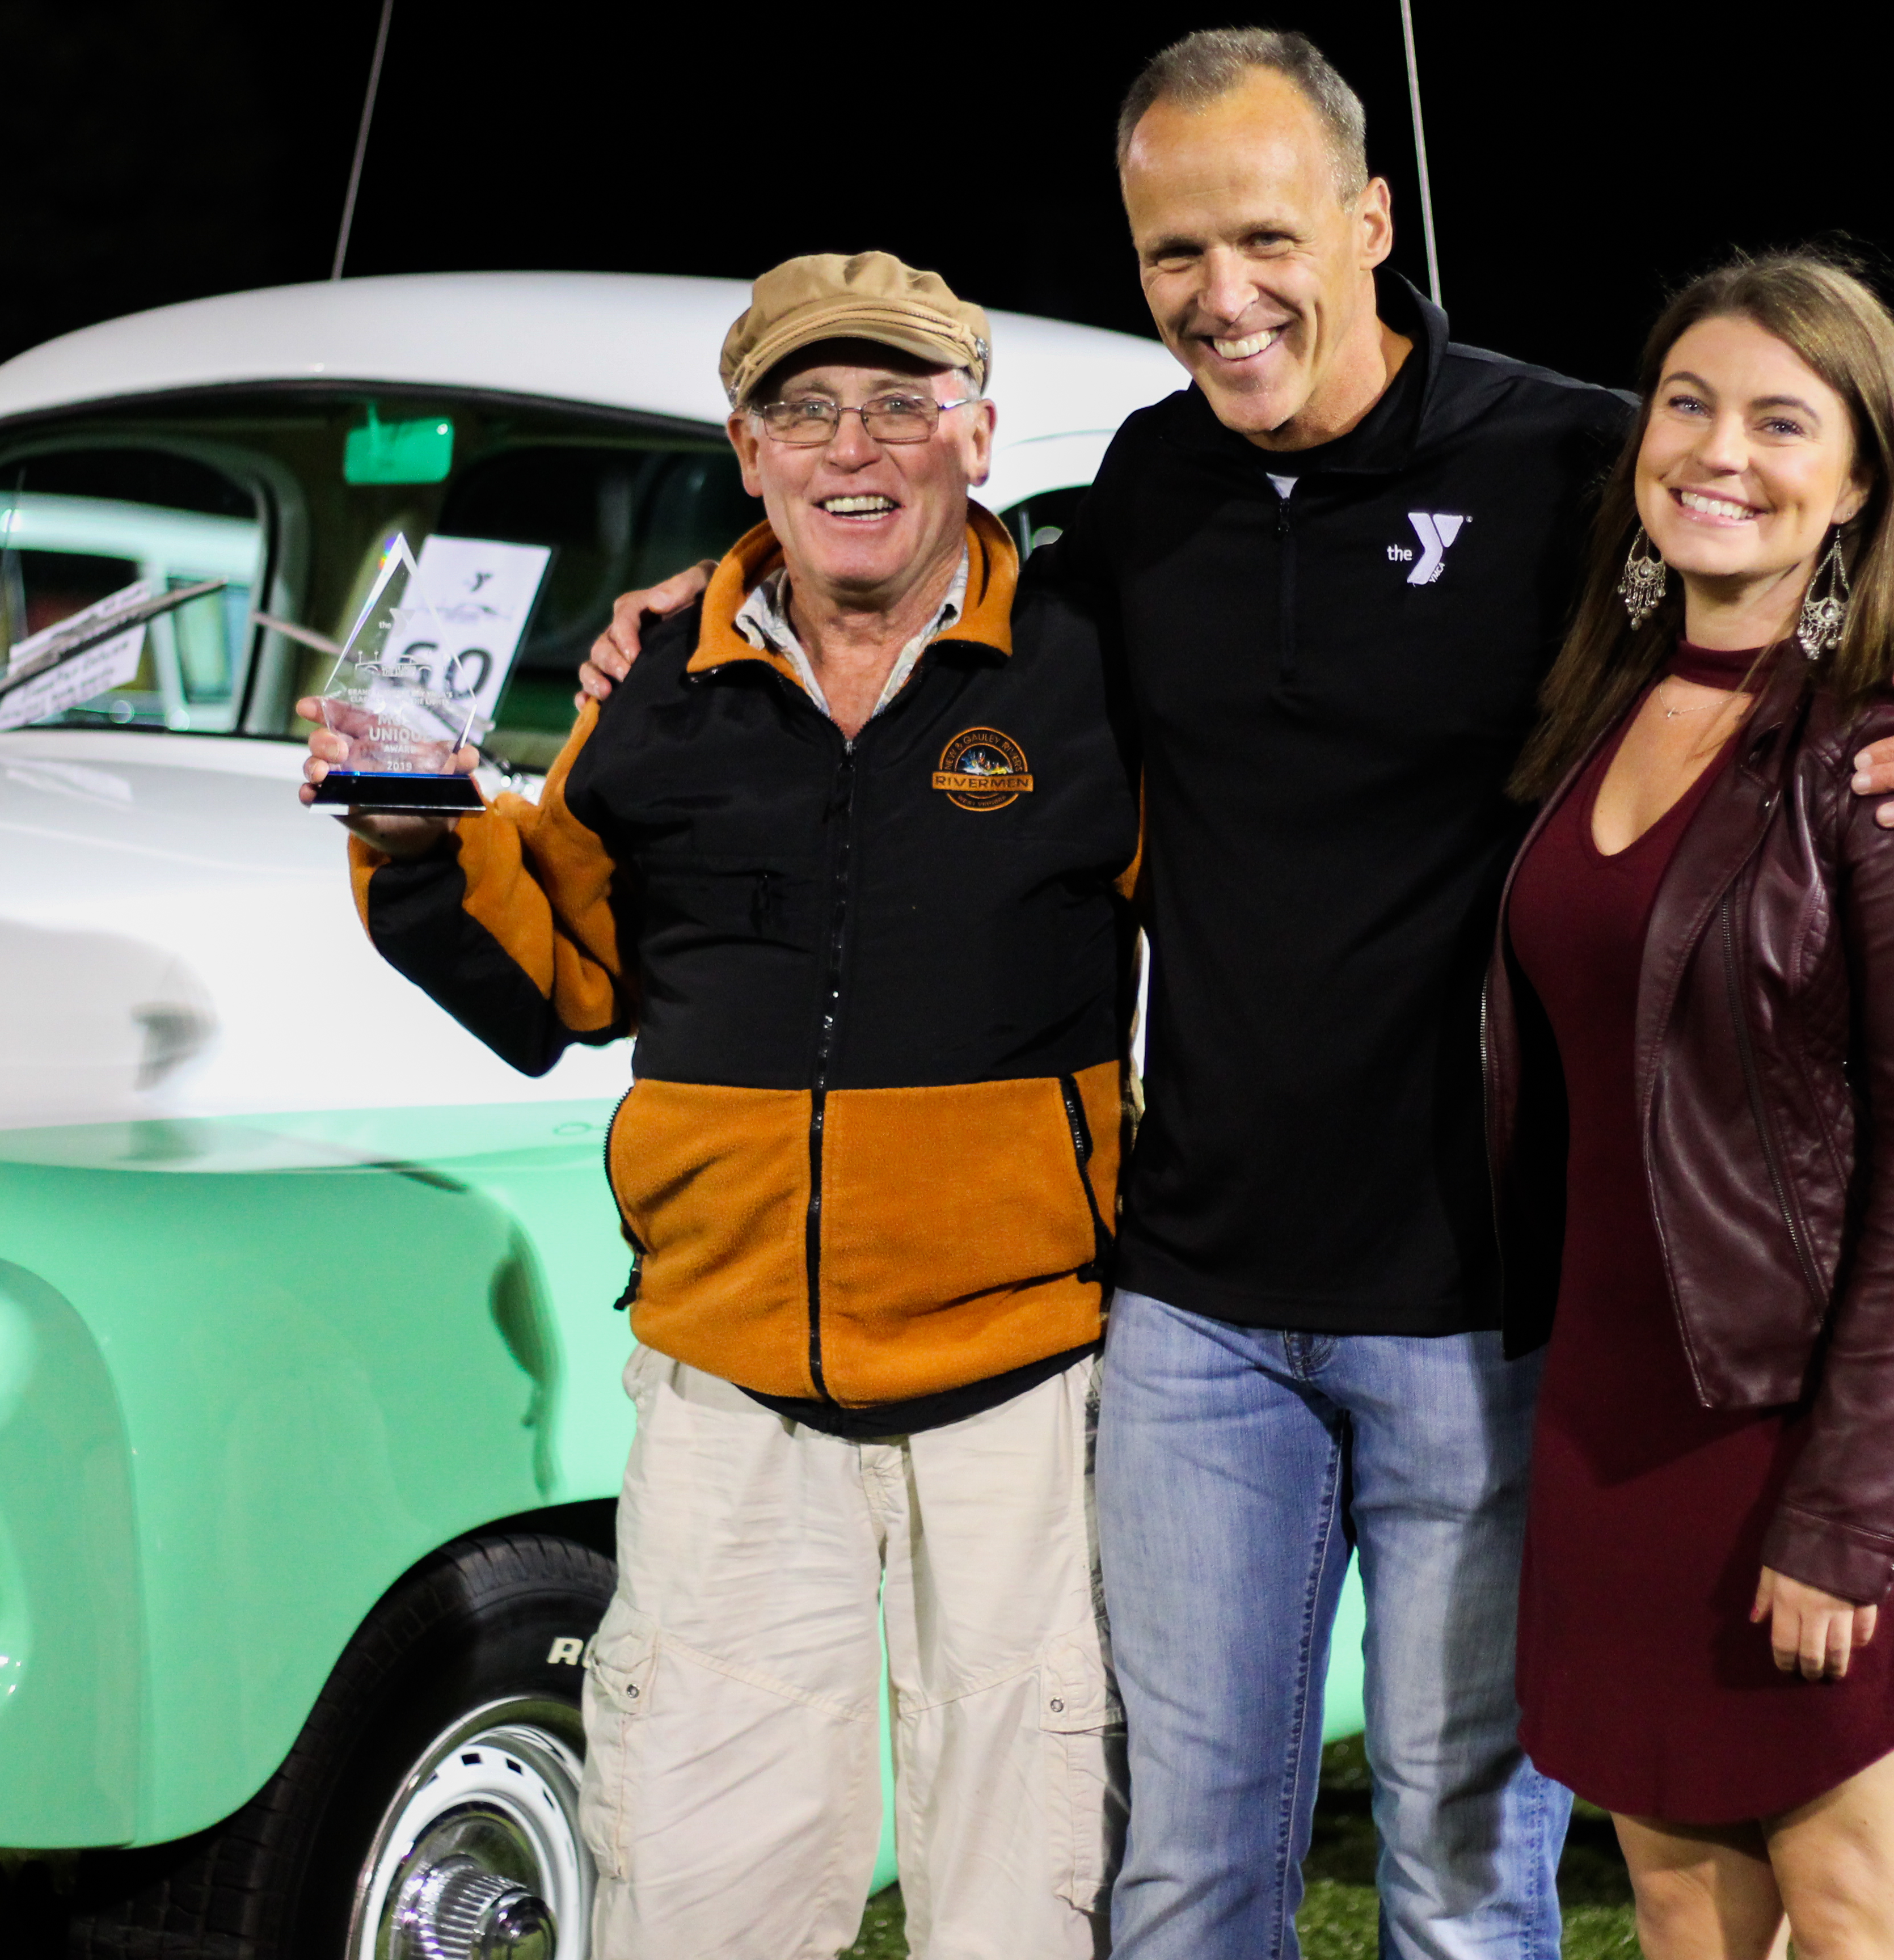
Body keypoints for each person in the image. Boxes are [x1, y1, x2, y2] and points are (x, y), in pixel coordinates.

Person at [580, 33, 1894, 1959]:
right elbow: (926, 572)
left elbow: (1783, 542)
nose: (1222, 292)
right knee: (1182, 1879)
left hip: (1488, 1316)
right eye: (1171, 251)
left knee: (1462, 1881)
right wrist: (699, 598)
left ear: (1369, 221)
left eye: (1264, 234)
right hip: (1195, 1310)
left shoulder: (1562, 461)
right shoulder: (1148, 486)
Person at [311, 251, 1138, 1960]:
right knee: (695, 1890)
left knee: (1030, 1897)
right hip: (728, 1390)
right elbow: (565, 987)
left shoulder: (1089, 673)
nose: (858, 447)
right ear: (746, 450)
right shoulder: (658, 690)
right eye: (808, 409)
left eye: (903, 406)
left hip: (1028, 1392)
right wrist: (413, 844)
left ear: (976, 437)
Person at [1489, 250, 1894, 1960]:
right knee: (1673, 1901)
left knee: (1857, 1908)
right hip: (1623, 1410)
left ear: (1862, 478)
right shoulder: (1593, 701)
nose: (1721, 452)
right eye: (1689, 405)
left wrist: (1848, 1513)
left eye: (1783, 421)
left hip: (1839, 1419)